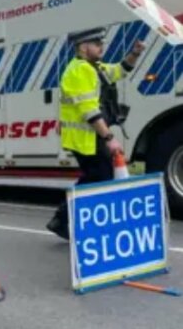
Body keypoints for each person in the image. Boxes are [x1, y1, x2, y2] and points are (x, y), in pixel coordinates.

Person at [46, 27, 145, 239]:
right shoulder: (79, 70)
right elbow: (89, 110)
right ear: (83, 47)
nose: (102, 47)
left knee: (97, 177)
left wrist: (135, 53)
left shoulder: (94, 67)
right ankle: (64, 219)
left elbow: (120, 70)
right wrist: (109, 137)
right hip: (86, 138)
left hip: (91, 136)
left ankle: (64, 220)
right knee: (99, 176)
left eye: (101, 43)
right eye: (97, 43)